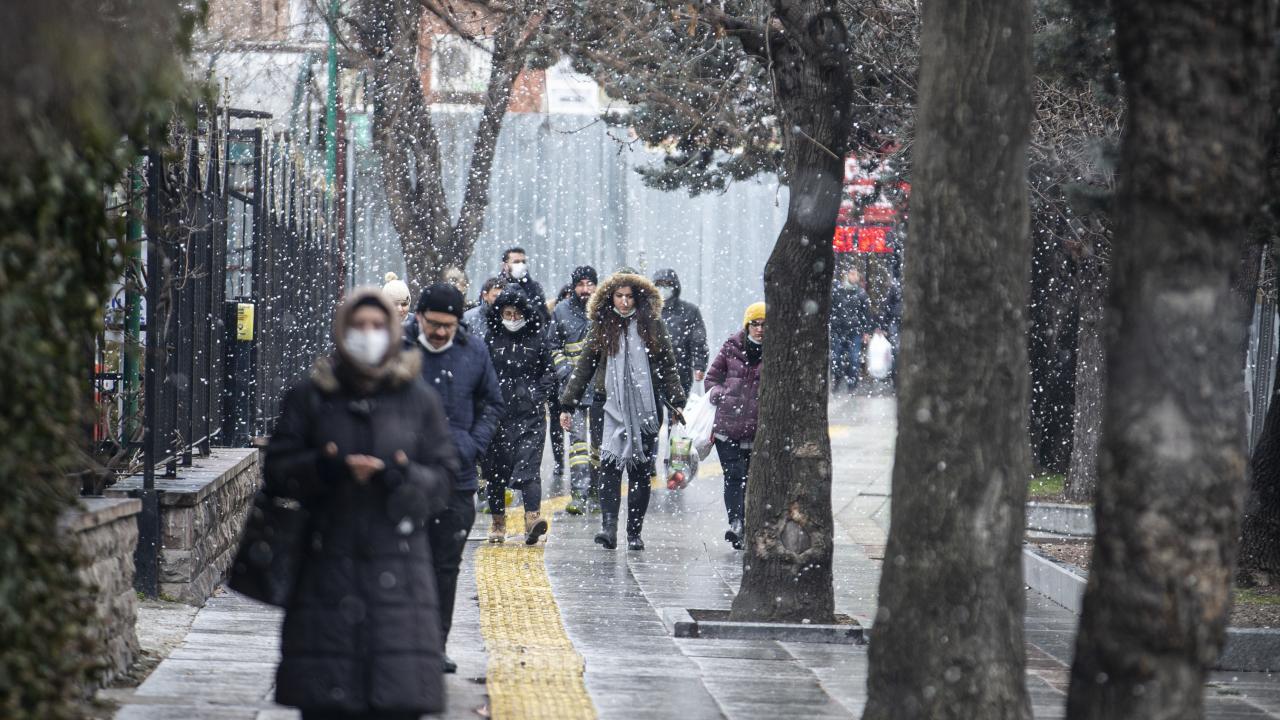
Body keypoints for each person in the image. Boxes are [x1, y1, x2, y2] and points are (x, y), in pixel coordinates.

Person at [263, 288, 458, 720]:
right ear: (341, 332)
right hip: (325, 571)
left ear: (392, 334)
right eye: (358, 326)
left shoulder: (417, 400)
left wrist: (398, 475)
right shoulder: (310, 397)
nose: (367, 335)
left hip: (401, 578)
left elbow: (443, 478)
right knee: (328, 700)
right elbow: (278, 470)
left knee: (394, 696)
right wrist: (328, 468)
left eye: (376, 326)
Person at [409, 282, 504, 674]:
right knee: (401, 564)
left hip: (456, 479)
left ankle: (434, 645)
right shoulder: (397, 349)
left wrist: (470, 445)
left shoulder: (473, 351)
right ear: (419, 317)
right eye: (433, 324)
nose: (441, 333)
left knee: (445, 568)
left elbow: (492, 404)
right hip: (403, 477)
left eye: (449, 325)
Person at [559, 269, 687, 551]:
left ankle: (634, 532)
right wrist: (568, 402)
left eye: (629, 296)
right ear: (610, 297)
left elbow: (668, 364)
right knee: (609, 466)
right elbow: (585, 365)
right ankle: (608, 528)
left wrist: (677, 400)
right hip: (608, 404)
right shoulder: (602, 324)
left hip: (646, 405)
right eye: (619, 296)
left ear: (638, 298)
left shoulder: (652, 324)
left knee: (640, 470)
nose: (625, 302)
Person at [483, 288, 558, 545]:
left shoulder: (537, 338)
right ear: (500, 314)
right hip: (498, 414)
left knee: (529, 466)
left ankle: (532, 520)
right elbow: (482, 373)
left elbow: (550, 371)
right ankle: (497, 522)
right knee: (495, 470)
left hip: (530, 416)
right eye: (507, 313)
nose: (512, 318)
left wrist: (535, 395)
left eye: (517, 313)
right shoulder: (491, 339)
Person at [705, 302, 765, 550]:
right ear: (747, 324)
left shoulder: (776, 352)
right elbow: (711, 379)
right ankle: (736, 524)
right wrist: (720, 393)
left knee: (751, 478)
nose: (760, 329)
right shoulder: (732, 347)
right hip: (727, 426)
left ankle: (748, 525)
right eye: (755, 323)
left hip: (756, 428)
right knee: (734, 476)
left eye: (764, 324)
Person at [550, 266, 603, 514]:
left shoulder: (604, 311)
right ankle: (579, 494)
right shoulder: (561, 311)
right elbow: (553, 346)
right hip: (574, 391)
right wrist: (565, 373)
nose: (585, 289)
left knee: (600, 445)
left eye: (589, 283)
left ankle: (597, 490)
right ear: (573, 287)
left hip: (602, 391)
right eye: (580, 284)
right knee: (578, 445)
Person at [653, 269, 709, 396]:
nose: (663, 288)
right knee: (655, 410)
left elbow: (698, 340)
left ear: (674, 287)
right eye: (659, 285)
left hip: (680, 370)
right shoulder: (649, 310)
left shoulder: (689, 311)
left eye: (667, 285)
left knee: (677, 409)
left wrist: (699, 365)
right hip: (654, 370)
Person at [546, 283, 575, 490]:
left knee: (575, 424)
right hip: (556, 379)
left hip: (574, 379)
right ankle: (559, 460)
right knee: (556, 423)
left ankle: (575, 462)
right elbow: (550, 345)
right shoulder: (554, 316)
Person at [830, 266, 873, 393]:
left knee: (854, 359)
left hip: (855, 331)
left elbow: (866, 314)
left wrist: (866, 331)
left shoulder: (861, 294)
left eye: (856, 274)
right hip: (839, 330)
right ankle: (838, 379)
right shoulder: (838, 292)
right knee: (836, 359)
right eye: (852, 274)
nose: (854, 277)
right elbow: (832, 310)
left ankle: (852, 385)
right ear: (847, 275)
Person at [498, 246, 549, 322]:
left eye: (523, 262)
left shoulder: (534, 287)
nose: (521, 265)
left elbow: (543, 316)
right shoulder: (496, 287)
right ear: (505, 266)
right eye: (516, 262)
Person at [464, 277, 504, 342]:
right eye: (495, 296)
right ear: (485, 296)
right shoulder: (469, 318)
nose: (500, 300)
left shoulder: (510, 317)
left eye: (503, 296)